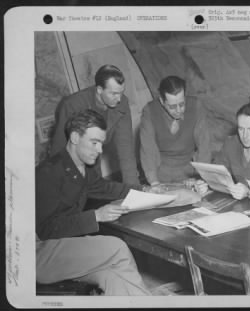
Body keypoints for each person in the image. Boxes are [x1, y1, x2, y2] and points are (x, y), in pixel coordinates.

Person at [36, 109, 150, 295]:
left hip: (67, 249)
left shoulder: (83, 169)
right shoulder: (47, 173)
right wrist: (96, 216)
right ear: (74, 137)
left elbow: (108, 188)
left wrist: (146, 191)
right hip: (41, 254)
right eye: (94, 143)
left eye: (101, 144)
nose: (100, 150)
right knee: (117, 247)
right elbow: (44, 229)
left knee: (112, 277)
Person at [50, 64, 140, 186]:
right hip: (70, 164)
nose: (119, 99)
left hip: (94, 160)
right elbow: (59, 150)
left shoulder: (122, 103)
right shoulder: (73, 105)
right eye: (113, 93)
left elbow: (126, 149)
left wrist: (135, 190)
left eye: (121, 92)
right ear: (99, 90)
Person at [139, 75, 211, 186]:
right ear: (162, 101)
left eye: (182, 104)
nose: (178, 110)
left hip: (190, 173)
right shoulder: (149, 111)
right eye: (172, 106)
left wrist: (200, 178)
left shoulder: (196, 107)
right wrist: (154, 182)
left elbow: (204, 145)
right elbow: (148, 150)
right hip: (160, 173)